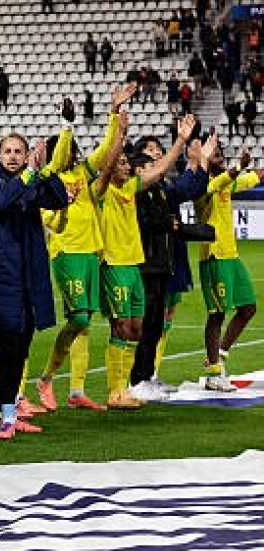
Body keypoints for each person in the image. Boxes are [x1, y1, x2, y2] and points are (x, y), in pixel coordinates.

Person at [0, 127, 71, 439]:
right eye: (8, 151)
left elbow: (60, 199)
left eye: (19, 151)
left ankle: (12, 412)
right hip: (1, 277)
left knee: (21, 346)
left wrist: (45, 171)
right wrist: (30, 174)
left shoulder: (32, 179)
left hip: (30, 276)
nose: (13, 156)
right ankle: (6, 415)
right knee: (6, 348)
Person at [34, 85, 136, 414]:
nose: (72, 153)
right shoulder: (47, 182)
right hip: (67, 254)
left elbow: (107, 149)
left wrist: (112, 112)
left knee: (84, 322)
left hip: (92, 253)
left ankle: (76, 390)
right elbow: (51, 220)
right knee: (78, 317)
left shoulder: (82, 173)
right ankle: (46, 378)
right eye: (66, 149)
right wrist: (67, 125)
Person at [94, 113, 196, 409]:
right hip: (113, 265)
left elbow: (161, 168)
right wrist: (119, 135)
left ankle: (129, 387)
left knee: (137, 329)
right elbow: (108, 164)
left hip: (134, 265)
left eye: (127, 163)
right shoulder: (104, 189)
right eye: (121, 163)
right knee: (121, 327)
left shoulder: (130, 189)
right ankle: (116, 391)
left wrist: (180, 141)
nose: (125, 167)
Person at [126, 134, 214, 401]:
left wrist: (201, 161)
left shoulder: (161, 189)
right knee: (146, 323)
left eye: (158, 152)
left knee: (155, 324)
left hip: (161, 263)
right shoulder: (138, 190)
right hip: (146, 263)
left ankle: (147, 376)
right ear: (138, 168)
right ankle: (136, 379)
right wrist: (169, 222)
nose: (156, 159)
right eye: (150, 155)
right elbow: (148, 222)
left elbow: (190, 188)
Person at [194, 144, 261, 391]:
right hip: (213, 256)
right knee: (217, 313)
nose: (220, 157)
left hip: (231, 255)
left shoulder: (227, 185)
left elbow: (255, 177)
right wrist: (239, 166)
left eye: (222, 154)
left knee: (248, 308)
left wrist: (249, 170)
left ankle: (219, 355)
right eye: (216, 154)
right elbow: (219, 182)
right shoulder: (202, 185)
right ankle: (213, 373)